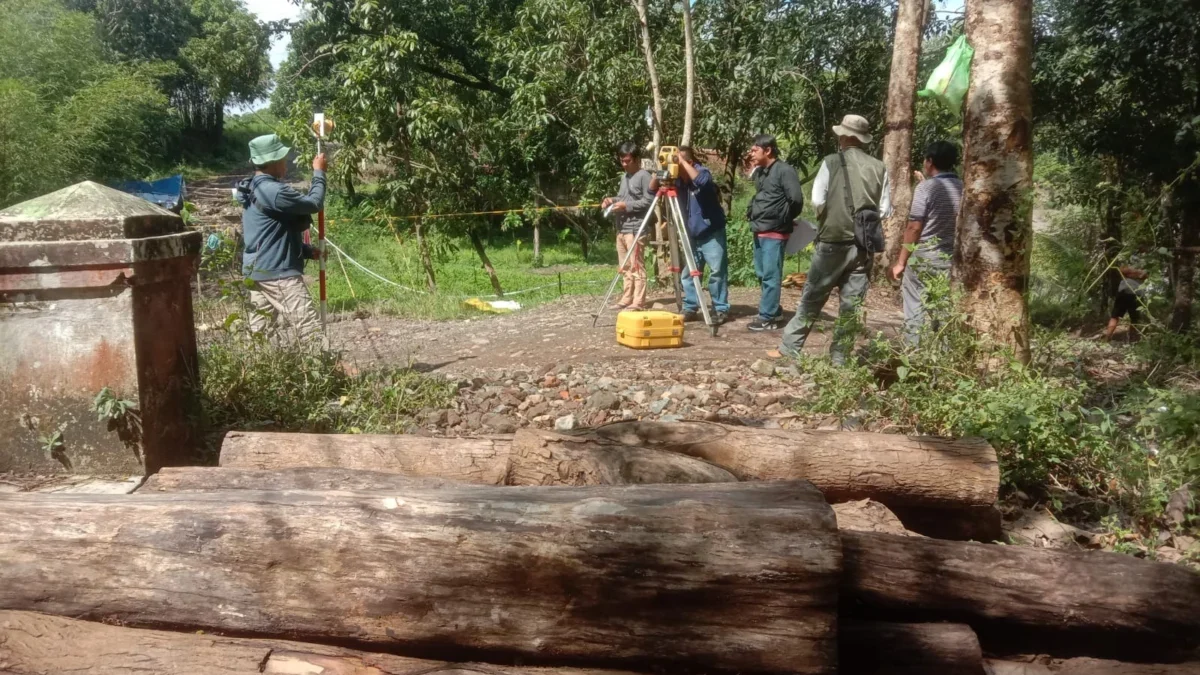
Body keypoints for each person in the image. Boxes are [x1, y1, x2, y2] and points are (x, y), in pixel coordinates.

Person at [773, 114, 891, 364]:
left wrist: (830, 216)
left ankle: (789, 349)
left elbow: (817, 200)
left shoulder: (831, 162)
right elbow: (884, 209)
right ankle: (840, 357)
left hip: (832, 242)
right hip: (864, 245)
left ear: (845, 137)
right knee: (851, 305)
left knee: (813, 296)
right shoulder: (880, 167)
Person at [234, 133, 327, 345]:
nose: (286, 163)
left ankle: (256, 373)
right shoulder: (273, 191)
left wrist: (304, 250)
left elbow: (268, 231)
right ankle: (329, 371)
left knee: (259, 334)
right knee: (308, 328)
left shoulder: (253, 187)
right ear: (273, 161)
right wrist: (319, 173)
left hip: (257, 270)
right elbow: (314, 203)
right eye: (283, 158)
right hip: (277, 272)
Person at [889, 141, 963, 346]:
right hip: (951, 260)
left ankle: (913, 357)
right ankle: (942, 362)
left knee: (914, 310)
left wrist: (901, 262)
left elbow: (914, 227)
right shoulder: (965, 187)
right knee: (943, 313)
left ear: (930, 162)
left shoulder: (926, 188)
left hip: (925, 258)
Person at [745, 134, 805, 331]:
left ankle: (767, 317)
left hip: (775, 231)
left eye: (754, 150)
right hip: (760, 229)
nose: (751, 153)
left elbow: (796, 199)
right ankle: (774, 310)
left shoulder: (785, 171)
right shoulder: (761, 172)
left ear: (768, 150)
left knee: (771, 275)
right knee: (762, 274)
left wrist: (784, 218)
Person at [675, 146, 729, 325]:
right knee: (689, 273)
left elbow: (702, 182)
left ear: (690, 162)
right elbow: (652, 191)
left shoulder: (701, 171)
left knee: (717, 272)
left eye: (679, 163)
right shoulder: (677, 180)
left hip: (711, 232)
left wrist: (681, 162)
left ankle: (720, 308)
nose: (676, 166)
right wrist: (659, 171)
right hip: (692, 234)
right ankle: (691, 307)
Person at [602, 141, 656, 311]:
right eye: (622, 161)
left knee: (636, 266)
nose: (624, 164)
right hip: (622, 228)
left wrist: (626, 206)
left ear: (636, 159)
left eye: (628, 161)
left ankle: (638, 301)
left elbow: (649, 202)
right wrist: (611, 200)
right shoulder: (624, 177)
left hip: (636, 228)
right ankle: (626, 298)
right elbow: (622, 197)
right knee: (625, 267)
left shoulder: (644, 176)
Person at [1104, 262, 1149, 342]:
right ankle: (1107, 339)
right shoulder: (1130, 258)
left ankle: (1133, 341)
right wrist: (1137, 272)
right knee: (1115, 316)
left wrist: (1133, 272)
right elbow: (1122, 270)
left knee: (1135, 319)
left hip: (1137, 294)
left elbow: (1145, 276)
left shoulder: (1146, 261)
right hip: (1124, 291)